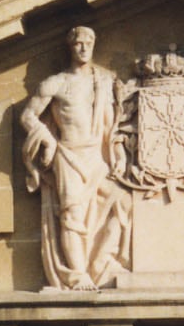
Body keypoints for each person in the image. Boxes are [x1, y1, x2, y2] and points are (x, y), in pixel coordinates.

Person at [20, 26, 128, 289]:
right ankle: (78, 274)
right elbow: (27, 116)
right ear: (71, 46)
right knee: (72, 214)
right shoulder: (56, 83)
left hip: (96, 156)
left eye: (88, 43)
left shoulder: (105, 80)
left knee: (123, 202)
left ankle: (101, 264)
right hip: (68, 154)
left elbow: (115, 124)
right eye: (78, 43)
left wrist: (119, 153)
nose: (83, 48)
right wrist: (46, 139)